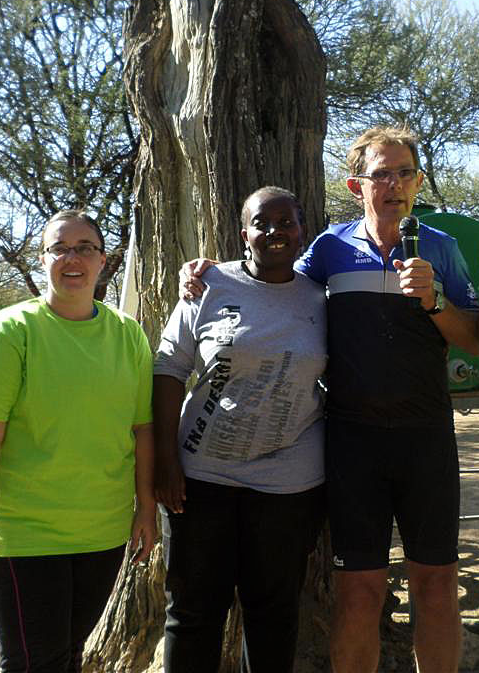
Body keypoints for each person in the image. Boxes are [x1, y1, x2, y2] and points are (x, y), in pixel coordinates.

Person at [183, 126, 479, 673]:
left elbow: (476, 337)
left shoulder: (442, 247)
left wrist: (436, 299)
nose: (395, 184)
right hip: (351, 442)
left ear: (417, 181)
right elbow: (272, 288)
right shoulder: (328, 248)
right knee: (359, 593)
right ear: (354, 185)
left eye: (406, 173)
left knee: (436, 585)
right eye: (381, 174)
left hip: (426, 438)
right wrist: (210, 274)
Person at [0, 210, 156, 673]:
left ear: (104, 261)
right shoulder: (9, 331)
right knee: (32, 663)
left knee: (67, 656)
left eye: (84, 247)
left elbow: (143, 429)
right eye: (59, 248)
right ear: (42, 260)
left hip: (102, 533)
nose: (71, 258)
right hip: (23, 536)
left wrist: (145, 508)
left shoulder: (128, 335)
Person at [155, 187, 327, 673]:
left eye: (286, 222)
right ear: (243, 232)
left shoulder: (322, 298)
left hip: (288, 489)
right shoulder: (208, 286)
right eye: (262, 223)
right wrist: (167, 461)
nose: (275, 232)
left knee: (273, 616)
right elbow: (168, 368)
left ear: (302, 230)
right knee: (192, 615)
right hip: (201, 481)